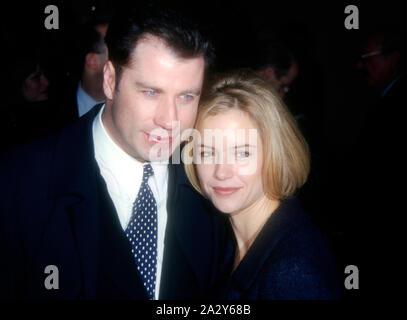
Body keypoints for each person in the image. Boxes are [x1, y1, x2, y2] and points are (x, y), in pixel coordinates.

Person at [0, 5, 227, 300]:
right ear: (110, 80)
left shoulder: (212, 186)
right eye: (151, 92)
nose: (170, 119)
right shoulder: (20, 181)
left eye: (186, 96)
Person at [184, 69, 341, 299]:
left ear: (276, 155)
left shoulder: (293, 271)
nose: (221, 172)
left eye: (242, 153)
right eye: (207, 153)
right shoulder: (230, 243)